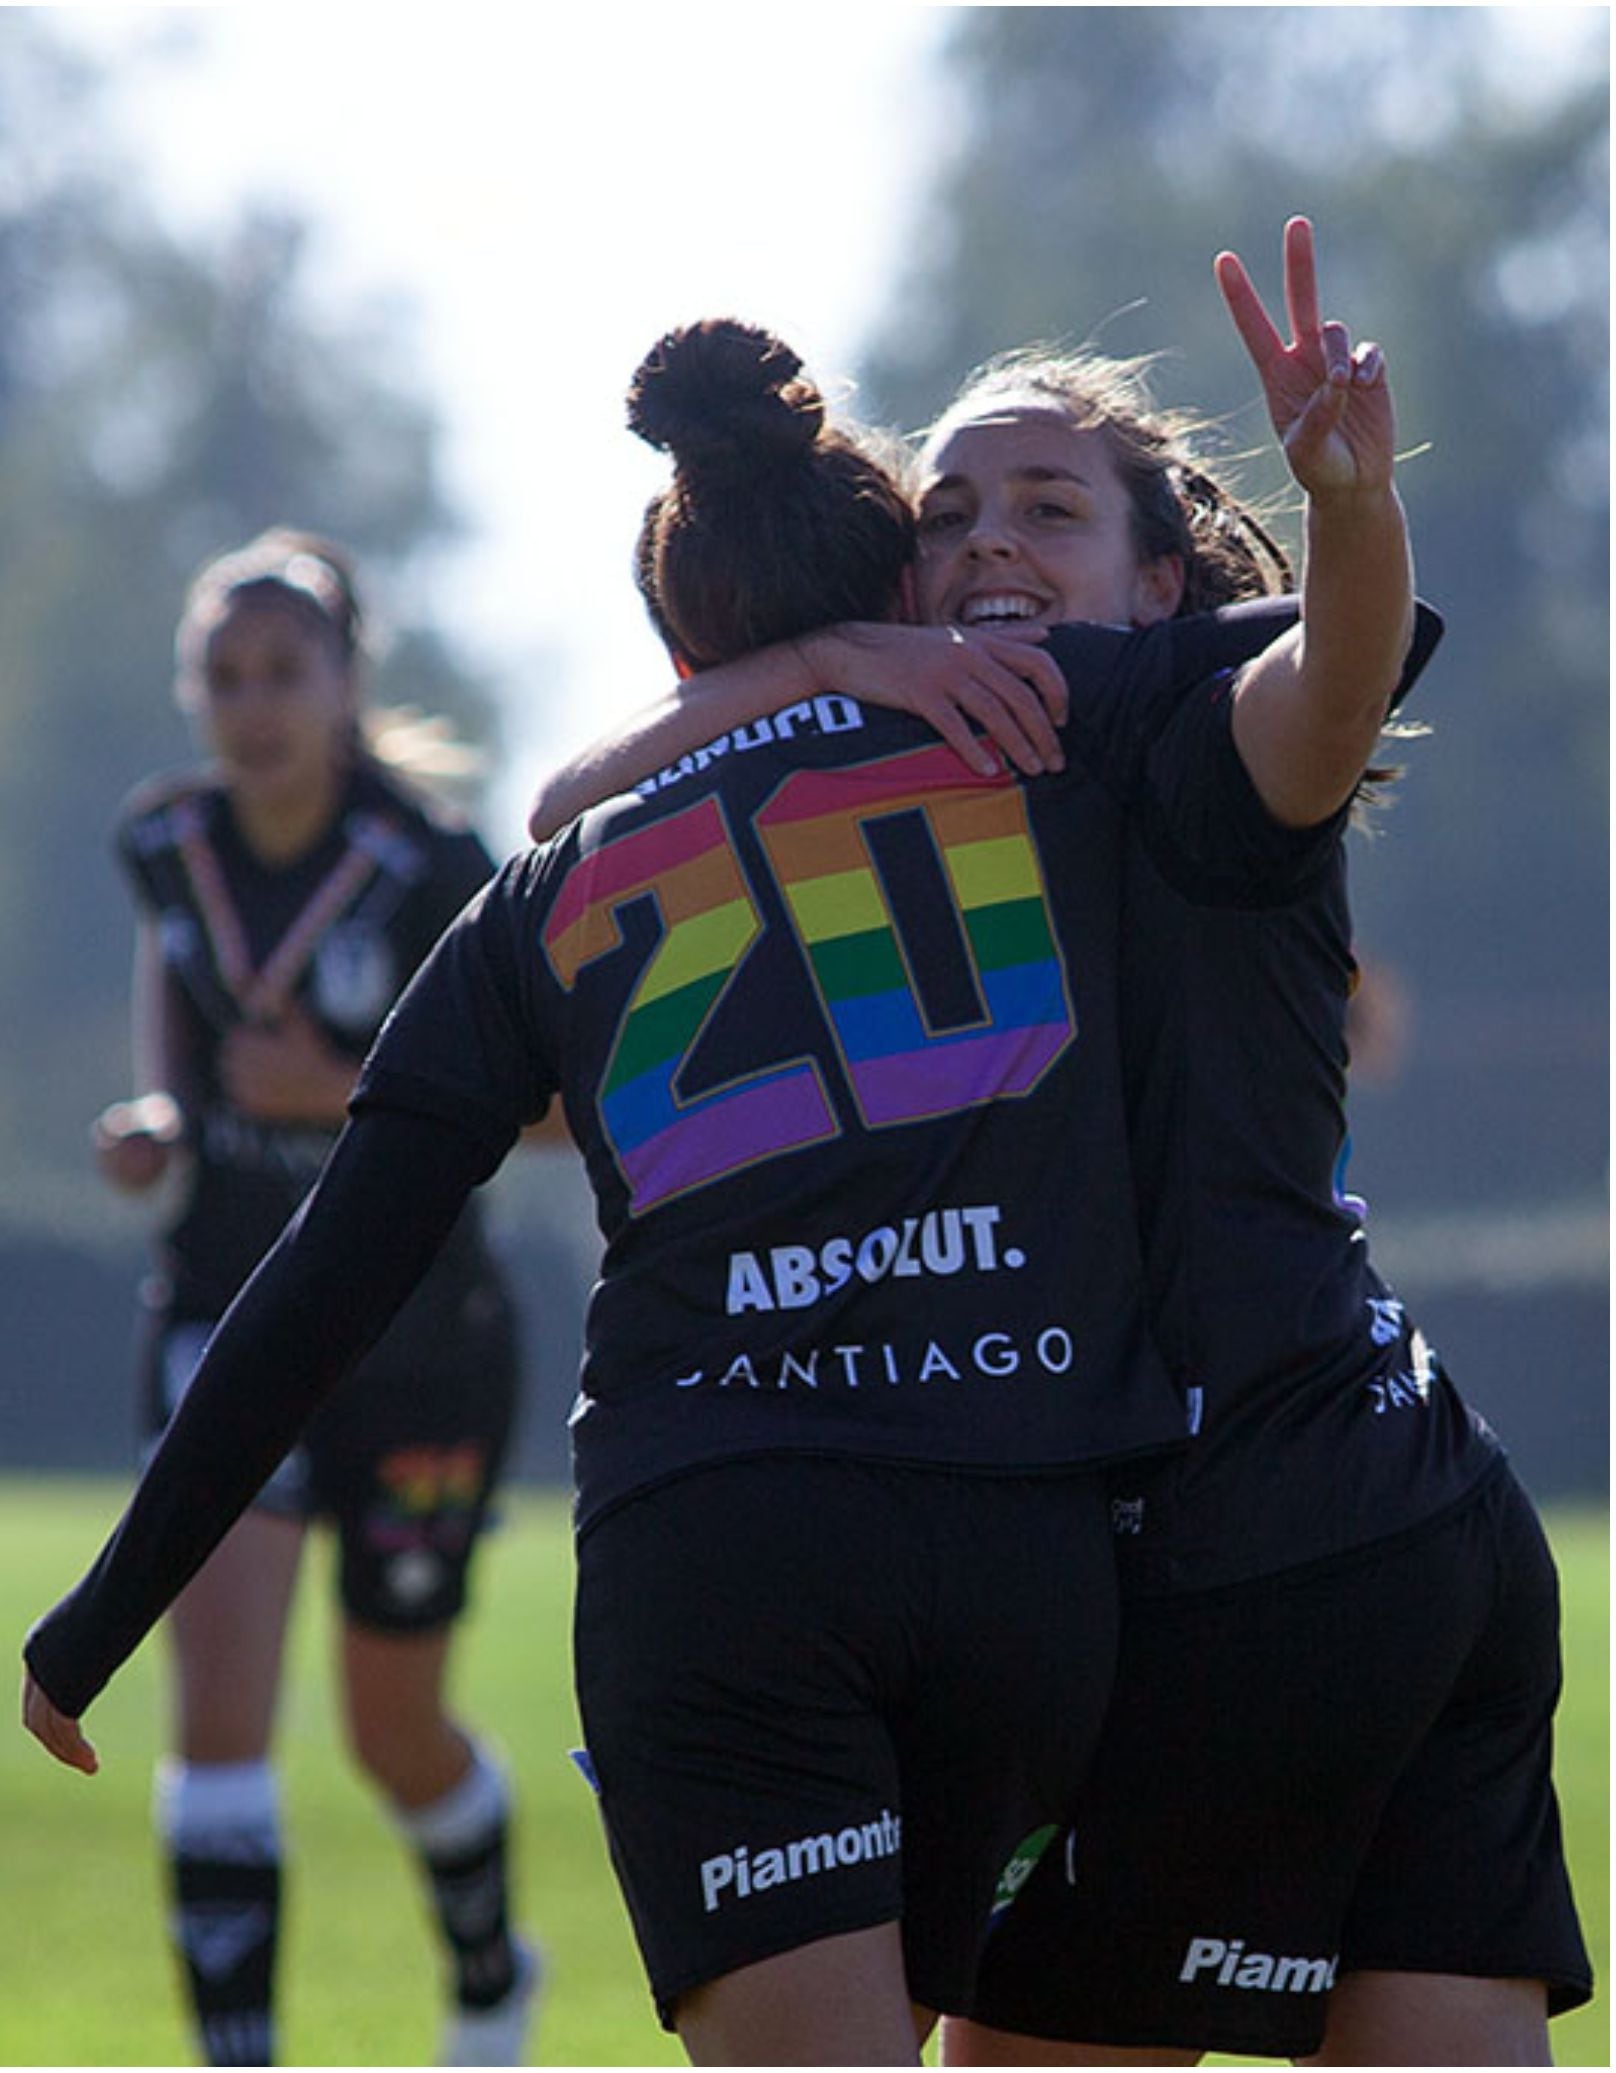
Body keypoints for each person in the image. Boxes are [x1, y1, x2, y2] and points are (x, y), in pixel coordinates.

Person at [25, 306, 1417, 2063]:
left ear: (672, 627)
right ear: (897, 592)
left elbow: (322, 1274)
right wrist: (1351, 506)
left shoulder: (540, 891)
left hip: (718, 1544)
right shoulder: (1048, 736)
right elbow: (1340, 656)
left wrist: (98, 1614)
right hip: (1031, 1543)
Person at [521, 219, 1590, 2066]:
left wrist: (1348, 500)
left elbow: (1334, 685)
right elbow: (564, 865)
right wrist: (827, 663)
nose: (989, 538)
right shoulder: (927, 808)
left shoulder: (1191, 751)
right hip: (1423, 1522)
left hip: (1238, 1556)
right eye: (948, 512)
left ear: (1171, 586)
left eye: (1048, 506)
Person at [87, 529, 536, 2066]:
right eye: (224, 672)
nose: (253, 702)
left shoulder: (438, 867)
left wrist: (337, 1090)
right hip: (227, 1313)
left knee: (391, 1731)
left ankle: (488, 1978)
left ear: (348, 684)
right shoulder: (165, 840)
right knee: (218, 1727)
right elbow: (182, 1006)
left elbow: (546, 1108)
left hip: (420, 1344)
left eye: (285, 670)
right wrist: (160, 1116)